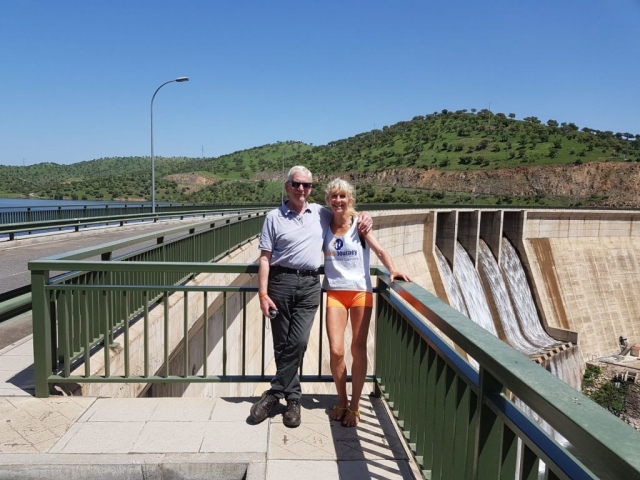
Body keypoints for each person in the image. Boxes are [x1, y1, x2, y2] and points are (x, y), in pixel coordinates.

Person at [250, 166, 372, 428]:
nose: (301, 189)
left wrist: (366, 218)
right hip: (279, 283)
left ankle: (273, 394)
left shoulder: (320, 213)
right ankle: (293, 400)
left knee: (300, 340)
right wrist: (262, 293)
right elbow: (264, 258)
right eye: (296, 184)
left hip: (308, 284)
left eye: (306, 185)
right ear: (287, 186)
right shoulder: (273, 217)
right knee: (282, 344)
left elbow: (345, 213)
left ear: (311, 189)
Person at [323, 178, 411, 427]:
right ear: (328, 200)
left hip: (361, 292)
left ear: (350, 199)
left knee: (357, 349)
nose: (338, 201)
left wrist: (393, 270)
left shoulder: (359, 226)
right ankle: (341, 401)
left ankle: (355, 405)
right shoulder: (324, 223)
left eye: (343, 197)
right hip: (335, 293)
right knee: (336, 350)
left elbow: (380, 251)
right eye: (334, 196)